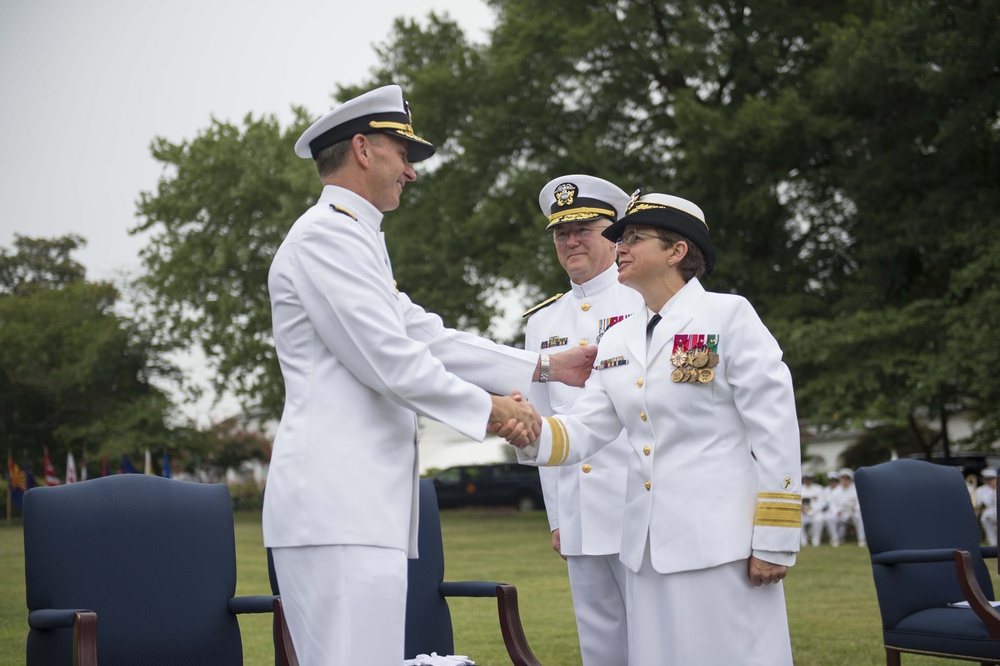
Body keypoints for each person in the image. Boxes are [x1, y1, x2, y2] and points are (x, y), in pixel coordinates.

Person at [263, 84, 594, 666]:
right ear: (363, 149)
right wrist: (496, 411)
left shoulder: (356, 237)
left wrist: (546, 365)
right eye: (404, 154)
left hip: (360, 506)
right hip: (338, 504)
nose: (411, 173)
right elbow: (389, 360)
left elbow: (426, 336)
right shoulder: (326, 237)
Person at [508, 191, 802, 664]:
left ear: (677, 250)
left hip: (720, 545)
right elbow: (587, 425)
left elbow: (776, 432)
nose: (618, 247)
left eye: (633, 238)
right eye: (620, 238)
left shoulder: (728, 316)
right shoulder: (618, 338)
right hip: (643, 548)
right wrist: (523, 427)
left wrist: (775, 539)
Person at [525, 175, 643, 666]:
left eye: (584, 229)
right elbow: (542, 421)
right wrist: (557, 516)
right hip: (577, 507)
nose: (570, 241)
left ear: (615, 234)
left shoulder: (644, 299)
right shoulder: (541, 322)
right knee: (599, 643)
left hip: (639, 500)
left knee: (654, 638)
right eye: (560, 232)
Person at [834, 467, 866, 547]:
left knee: (859, 518)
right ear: (840, 479)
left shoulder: (855, 489)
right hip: (841, 512)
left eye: (847, 479)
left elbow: (859, 502)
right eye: (843, 479)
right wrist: (837, 511)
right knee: (833, 518)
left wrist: (855, 510)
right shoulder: (835, 491)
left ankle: (861, 539)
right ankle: (837, 539)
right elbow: (833, 504)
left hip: (853, 512)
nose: (845, 481)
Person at [800, 471, 823, 546]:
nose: (808, 481)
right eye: (806, 479)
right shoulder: (799, 488)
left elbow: (822, 502)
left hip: (815, 512)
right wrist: (802, 508)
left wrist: (813, 510)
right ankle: (803, 540)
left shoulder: (819, 488)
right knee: (798, 519)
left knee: (819, 519)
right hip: (802, 513)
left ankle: (815, 540)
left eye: (810, 479)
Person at [975, 468, 998, 546]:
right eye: (987, 479)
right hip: (989, 511)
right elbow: (985, 503)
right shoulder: (981, 490)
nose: (989, 481)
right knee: (986, 517)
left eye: (991, 479)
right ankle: (993, 542)